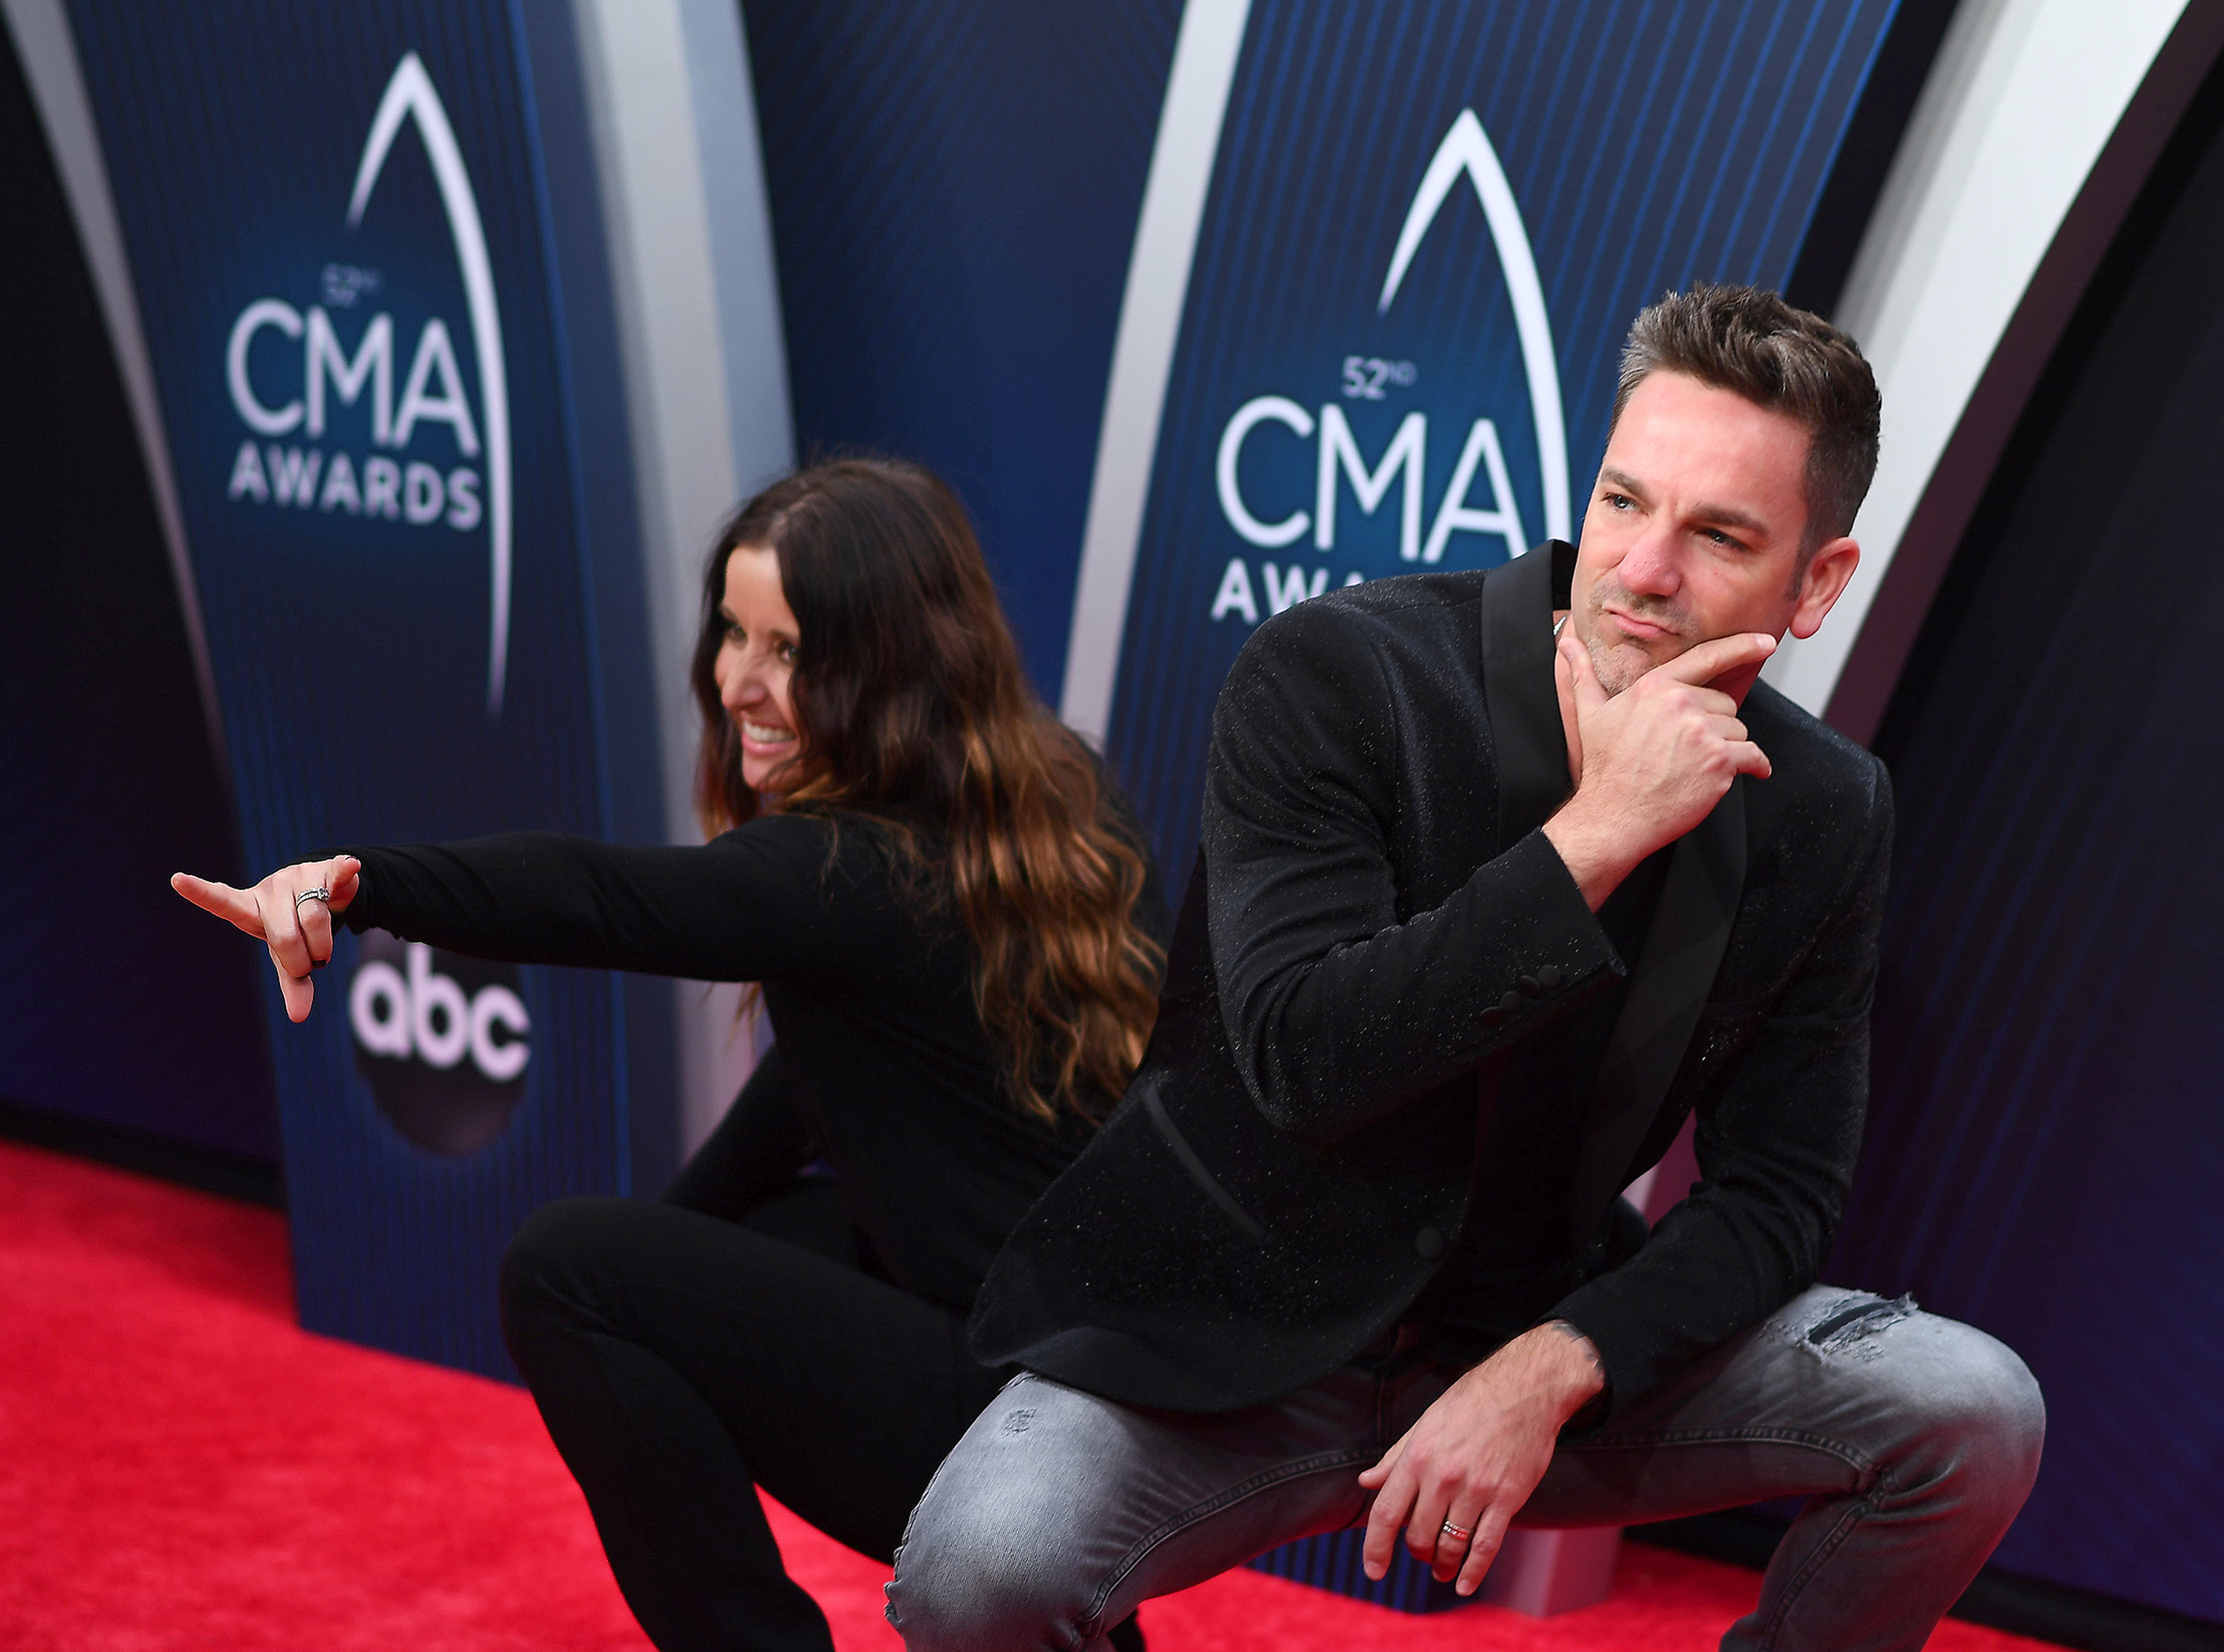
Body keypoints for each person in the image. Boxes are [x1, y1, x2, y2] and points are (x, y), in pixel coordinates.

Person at [884, 288, 2045, 1652]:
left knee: (1972, 1411)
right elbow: (1305, 1060)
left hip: (1530, 1338)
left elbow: (1779, 1192)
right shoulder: (1339, 673)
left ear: (1818, 582)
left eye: (1720, 534)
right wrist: (1597, 834)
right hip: (1221, 1334)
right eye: (1623, 501)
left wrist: (1556, 1364)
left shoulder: (1827, 806)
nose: (1642, 570)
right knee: (977, 1570)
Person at [173, 459, 1168, 1652]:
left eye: (790, 650)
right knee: (710, 1247)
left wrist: (358, 885)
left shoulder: (841, 871)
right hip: (1098, 1388)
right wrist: (676, 1244)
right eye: (733, 632)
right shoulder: (1053, 792)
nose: (738, 681)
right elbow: (824, 1081)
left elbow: (599, 899)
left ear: (886, 663)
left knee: (565, 1270)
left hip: (1023, 1433)